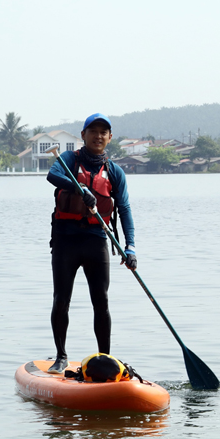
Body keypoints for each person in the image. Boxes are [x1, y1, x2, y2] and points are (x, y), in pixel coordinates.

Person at [45, 113, 136, 374]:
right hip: (66, 238)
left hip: (97, 239)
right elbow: (52, 175)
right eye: (92, 131)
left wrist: (130, 247)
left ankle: (105, 358)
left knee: (101, 301)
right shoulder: (68, 160)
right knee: (61, 299)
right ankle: (61, 356)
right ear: (83, 136)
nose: (98, 136)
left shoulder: (115, 172)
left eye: (103, 132)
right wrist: (78, 189)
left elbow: (125, 208)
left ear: (109, 137)